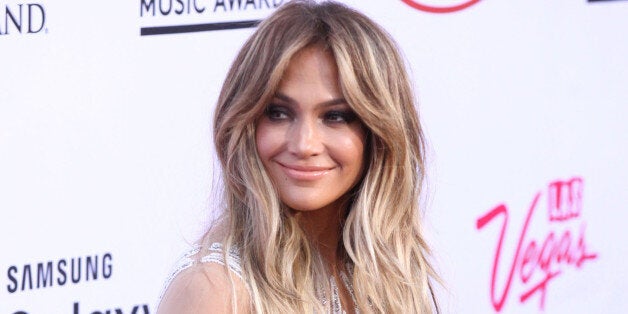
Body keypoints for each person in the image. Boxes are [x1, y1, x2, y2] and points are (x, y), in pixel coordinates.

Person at [158, 1, 439, 313]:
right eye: (278, 113)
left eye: (335, 116)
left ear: (379, 134)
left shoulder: (389, 273)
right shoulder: (215, 290)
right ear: (245, 122)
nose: (304, 145)